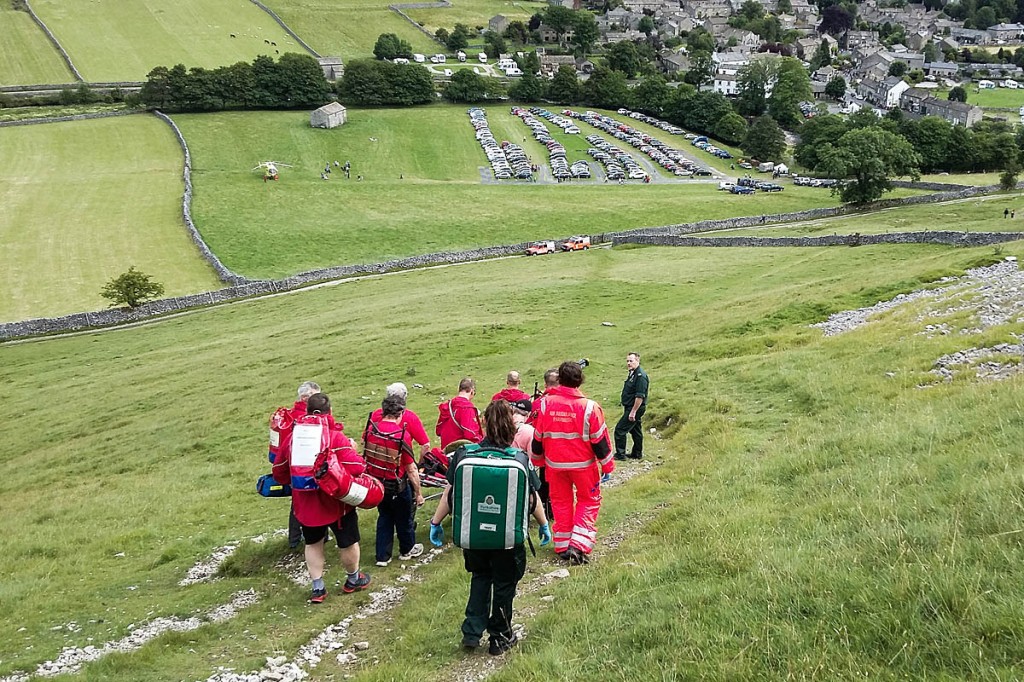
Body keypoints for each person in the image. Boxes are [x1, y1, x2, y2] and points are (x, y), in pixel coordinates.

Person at [428, 400, 551, 654]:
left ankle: (472, 633)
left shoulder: (464, 454)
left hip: (474, 536)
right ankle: (500, 638)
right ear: (512, 427)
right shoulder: (519, 458)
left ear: (483, 423)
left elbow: (450, 493)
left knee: (480, 577)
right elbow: (532, 498)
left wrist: (436, 522)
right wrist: (543, 524)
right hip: (508, 538)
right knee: (505, 585)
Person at [272, 393, 370, 602]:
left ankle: (318, 588)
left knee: (313, 543)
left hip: (306, 505)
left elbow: (279, 472)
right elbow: (358, 467)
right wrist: (352, 449)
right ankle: (353, 579)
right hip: (336, 503)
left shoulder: (292, 439)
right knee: (348, 542)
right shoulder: (335, 437)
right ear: (329, 412)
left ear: (306, 411)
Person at [531, 361, 613, 565]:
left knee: (561, 503)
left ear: (560, 379)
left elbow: (538, 437)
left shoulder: (544, 404)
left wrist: (538, 461)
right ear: (580, 380)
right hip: (583, 466)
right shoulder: (589, 407)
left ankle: (562, 545)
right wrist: (607, 465)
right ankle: (579, 544)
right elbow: (600, 441)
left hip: (554, 466)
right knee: (588, 501)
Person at [363, 395, 426, 567]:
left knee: (384, 517)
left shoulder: (372, 430)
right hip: (397, 485)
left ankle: (382, 556)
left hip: (377, 484)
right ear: (401, 413)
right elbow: (411, 469)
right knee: (404, 518)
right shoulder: (401, 436)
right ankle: (407, 549)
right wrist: (418, 493)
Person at [270, 381, 321, 549]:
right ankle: (316, 536)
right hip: (306, 467)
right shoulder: (307, 417)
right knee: (314, 499)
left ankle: (294, 539)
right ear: (305, 398)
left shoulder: (290, 415)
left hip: (291, 468)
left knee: (297, 501)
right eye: (315, 396)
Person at [613, 352, 650, 461]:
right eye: (627, 361)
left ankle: (620, 454)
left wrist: (633, 411)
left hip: (635, 408)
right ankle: (637, 453)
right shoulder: (633, 373)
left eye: (631, 361)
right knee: (635, 430)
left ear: (637, 361)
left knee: (620, 430)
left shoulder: (640, 376)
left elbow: (640, 396)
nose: (629, 363)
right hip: (631, 406)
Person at [436, 378, 483, 449]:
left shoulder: (448, 406)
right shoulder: (466, 408)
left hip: (446, 450)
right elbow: (471, 434)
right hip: (460, 451)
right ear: (472, 391)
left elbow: (438, 430)